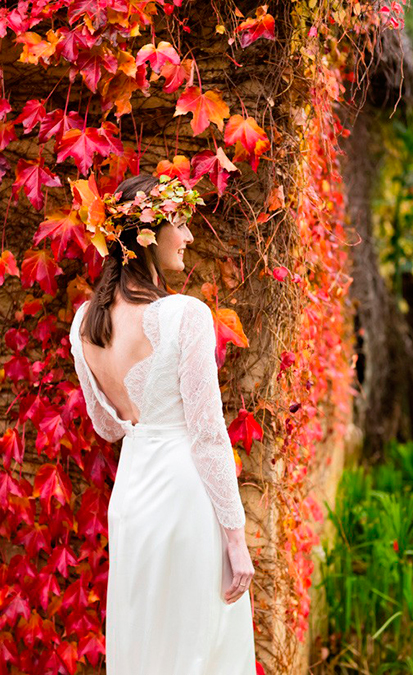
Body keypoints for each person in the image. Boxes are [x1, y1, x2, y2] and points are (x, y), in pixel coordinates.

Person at [69, 174, 257, 674]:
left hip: (132, 496)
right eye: (180, 223)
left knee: (146, 643)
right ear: (148, 234)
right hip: (184, 498)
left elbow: (107, 427)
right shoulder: (185, 315)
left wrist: (139, 416)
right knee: (197, 646)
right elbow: (209, 434)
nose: (189, 238)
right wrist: (236, 540)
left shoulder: (84, 324)